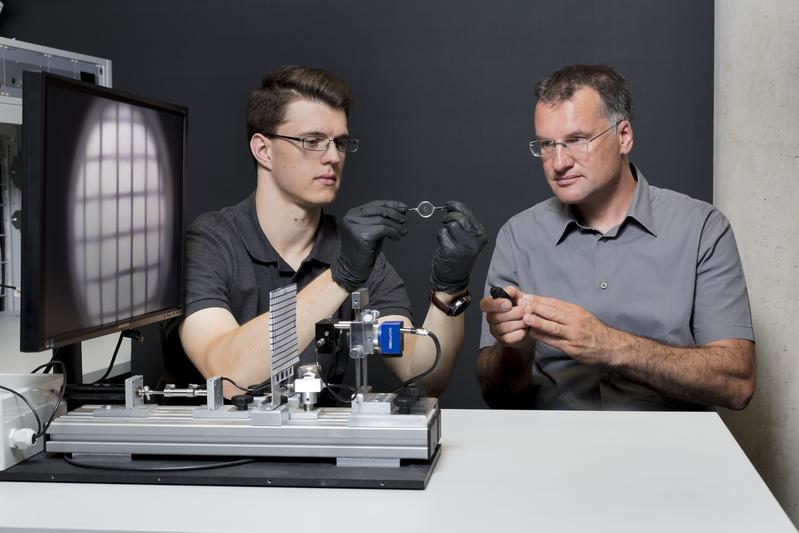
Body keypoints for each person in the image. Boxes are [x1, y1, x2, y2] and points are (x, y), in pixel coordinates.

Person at [168, 66, 486, 400]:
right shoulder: (209, 244)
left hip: (317, 446)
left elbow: (421, 374)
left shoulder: (354, 253)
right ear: (264, 150)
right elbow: (228, 375)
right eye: (313, 141)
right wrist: (341, 278)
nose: (333, 157)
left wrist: (450, 291)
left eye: (341, 143)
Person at [476, 65, 755, 411]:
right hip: (552, 450)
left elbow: (737, 385)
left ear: (623, 137)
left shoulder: (702, 229)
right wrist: (513, 348)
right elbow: (495, 395)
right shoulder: (519, 236)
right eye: (547, 145)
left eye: (577, 140)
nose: (558, 163)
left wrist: (608, 345)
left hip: (671, 453)